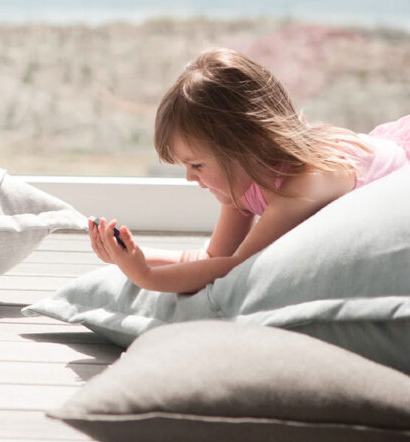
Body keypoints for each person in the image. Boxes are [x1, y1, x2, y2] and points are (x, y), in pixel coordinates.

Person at [90, 47, 410, 294]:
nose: (189, 178)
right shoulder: (242, 179)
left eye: (197, 164)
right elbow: (213, 257)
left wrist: (146, 277)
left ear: (247, 146)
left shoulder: (299, 187)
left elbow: (236, 269)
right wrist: (134, 256)